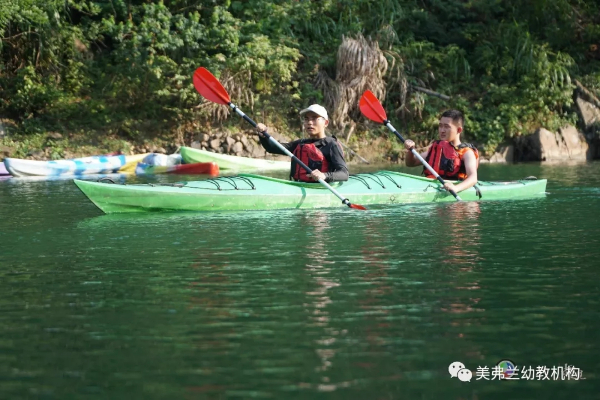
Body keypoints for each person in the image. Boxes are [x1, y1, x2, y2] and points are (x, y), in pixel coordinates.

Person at [255, 104, 349, 183]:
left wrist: (324, 175)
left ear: (326, 123)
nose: (309, 122)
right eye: (307, 119)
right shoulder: (300, 144)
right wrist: (263, 134)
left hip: (321, 188)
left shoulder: (331, 145)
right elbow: (271, 148)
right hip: (298, 185)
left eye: (314, 118)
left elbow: (344, 173)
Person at [404, 109, 479, 193]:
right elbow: (411, 163)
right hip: (432, 186)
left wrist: (456, 188)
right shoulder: (437, 148)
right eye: (440, 126)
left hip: (456, 189)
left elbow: (473, 178)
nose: (442, 130)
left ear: (459, 130)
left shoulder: (467, 153)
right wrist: (411, 150)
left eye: (446, 127)